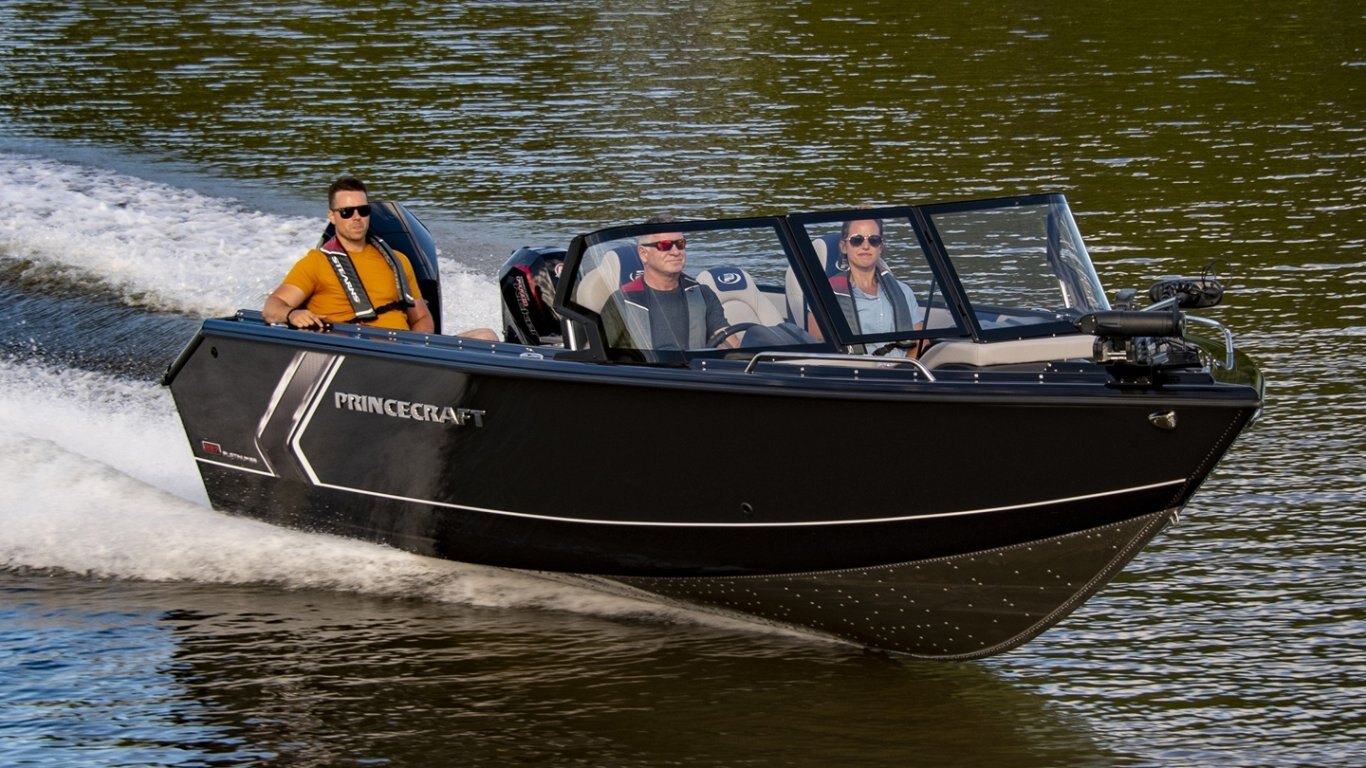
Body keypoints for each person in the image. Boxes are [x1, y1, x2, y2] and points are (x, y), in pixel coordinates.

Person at [263, 176, 498, 340]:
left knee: (486, 337)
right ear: (332, 216)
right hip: (357, 354)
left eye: (363, 210)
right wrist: (293, 314)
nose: (356, 217)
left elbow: (422, 318)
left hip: (405, 353)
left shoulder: (398, 260)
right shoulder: (315, 263)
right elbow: (272, 307)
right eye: (347, 212)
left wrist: (414, 349)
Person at [599, 216, 734, 351]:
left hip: (694, 365)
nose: (675, 252)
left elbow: (729, 342)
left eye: (680, 244)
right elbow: (604, 356)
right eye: (665, 245)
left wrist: (730, 350)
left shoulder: (703, 294)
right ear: (643, 253)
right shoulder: (621, 302)